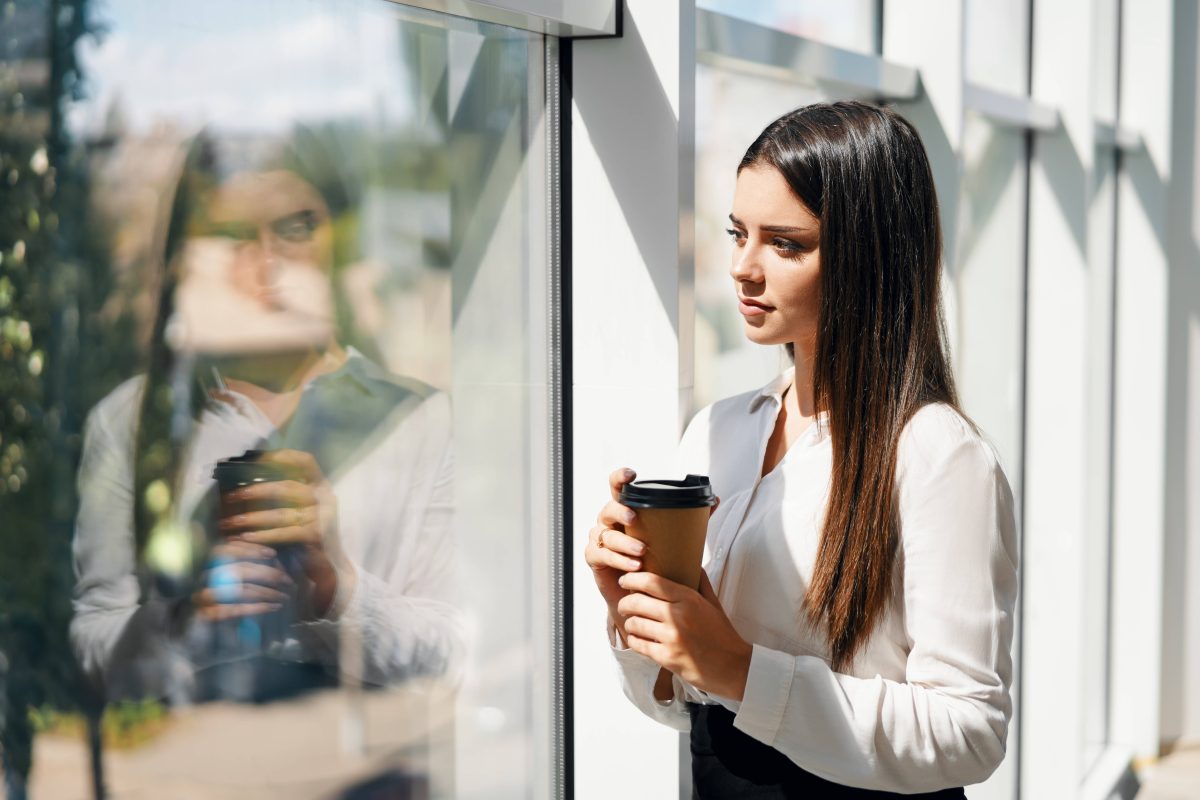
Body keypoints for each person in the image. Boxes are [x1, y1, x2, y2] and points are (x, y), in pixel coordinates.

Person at [586, 101, 1018, 797]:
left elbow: (971, 731)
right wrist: (637, 606)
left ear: (869, 256)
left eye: (785, 244)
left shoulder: (938, 456)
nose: (742, 268)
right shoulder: (719, 430)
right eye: (737, 233)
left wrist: (740, 671)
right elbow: (687, 706)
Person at [70, 132, 463, 703]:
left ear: (338, 245)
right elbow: (91, 650)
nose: (267, 261)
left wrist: (337, 590)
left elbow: (457, 654)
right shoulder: (128, 420)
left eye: (296, 226)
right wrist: (181, 616)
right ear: (186, 256)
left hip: (376, 774)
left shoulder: (419, 420)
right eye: (231, 235)